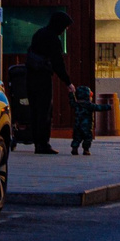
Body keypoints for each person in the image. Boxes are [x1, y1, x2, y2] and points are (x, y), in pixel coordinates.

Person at [25, 10, 70, 154]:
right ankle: (43, 144)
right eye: (65, 27)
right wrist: (68, 82)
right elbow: (58, 63)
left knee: (35, 110)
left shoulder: (39, 34)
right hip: (43, 78)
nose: (65, 31)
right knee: (45, 111)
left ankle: (37, 142)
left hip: (30, 77)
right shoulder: (53, 39)